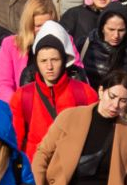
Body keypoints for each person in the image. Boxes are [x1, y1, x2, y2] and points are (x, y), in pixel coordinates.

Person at [32, 77, 127, 185]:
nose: (115, 105)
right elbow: (43, 153)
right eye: (112, 96)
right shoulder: (70, 117)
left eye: (123, 100)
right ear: (101, 91)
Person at [9, 24, 96, 162]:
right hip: (34, 166)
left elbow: (95, 136)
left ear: (64, 60)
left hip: (72, 166)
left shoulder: (85, 93)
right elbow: (15, 141)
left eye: (55, 60)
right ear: (36, 63)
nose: (49, 67)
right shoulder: (22, 96)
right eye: (43, 61)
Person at [0, 0, 61, 107]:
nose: (43, 30)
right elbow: (3, 85)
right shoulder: (10, 44)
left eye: (47, 25)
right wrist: (18, 104)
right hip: (23, 105)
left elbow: (78, 76)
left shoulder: (66, 41)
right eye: (38, 26)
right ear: (29, 25)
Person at [80, 3, 127, 90]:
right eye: (111, 29)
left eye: (121, 30)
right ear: (102, 28)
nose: (116, 35)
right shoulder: (84, 45)